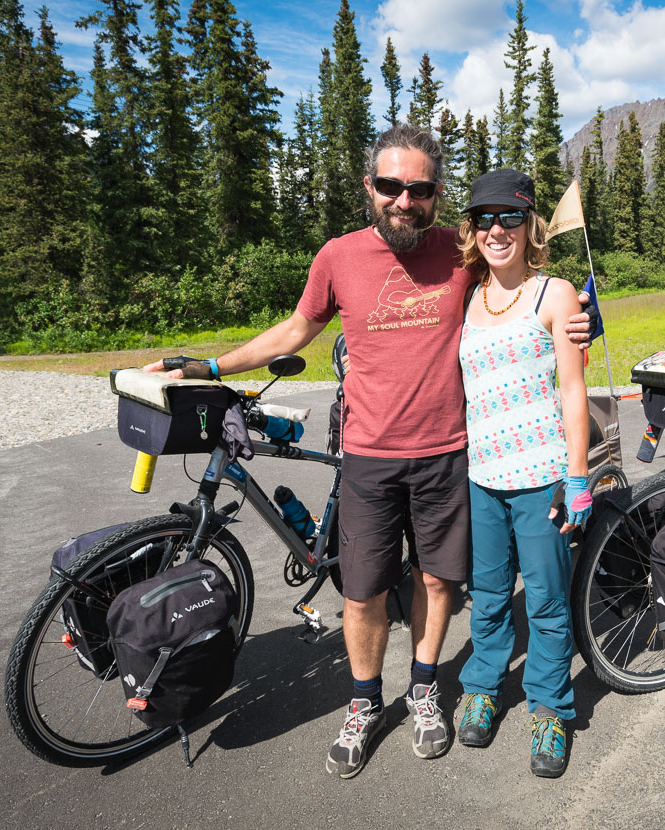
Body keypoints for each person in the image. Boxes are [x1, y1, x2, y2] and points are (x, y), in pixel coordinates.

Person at [143, 124, 596, 779]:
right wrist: (208, 363)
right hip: (371, 457)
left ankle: (429, 691)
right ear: (370, 187)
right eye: (391, 186)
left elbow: (525, 284)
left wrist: (578, 312)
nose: (404, 199)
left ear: (436, 196)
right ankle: (364, 703)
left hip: (451, 457)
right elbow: (297, 328)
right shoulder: (338, 257)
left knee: (444, 582)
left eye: (418, 188)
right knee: (364, 594)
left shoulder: (459, 254)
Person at [453, 169, 590, 779]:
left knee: (546, 601)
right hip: (481, 477)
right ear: (472, 229)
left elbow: (572, 386)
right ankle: (482, 685)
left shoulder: (555, 294)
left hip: (542, 478)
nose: (496, 231)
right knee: (485, 598)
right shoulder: (466, 295)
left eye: (509, 218)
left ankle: (551, 710)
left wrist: (580, 476)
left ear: (530, 225)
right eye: (484, 219)